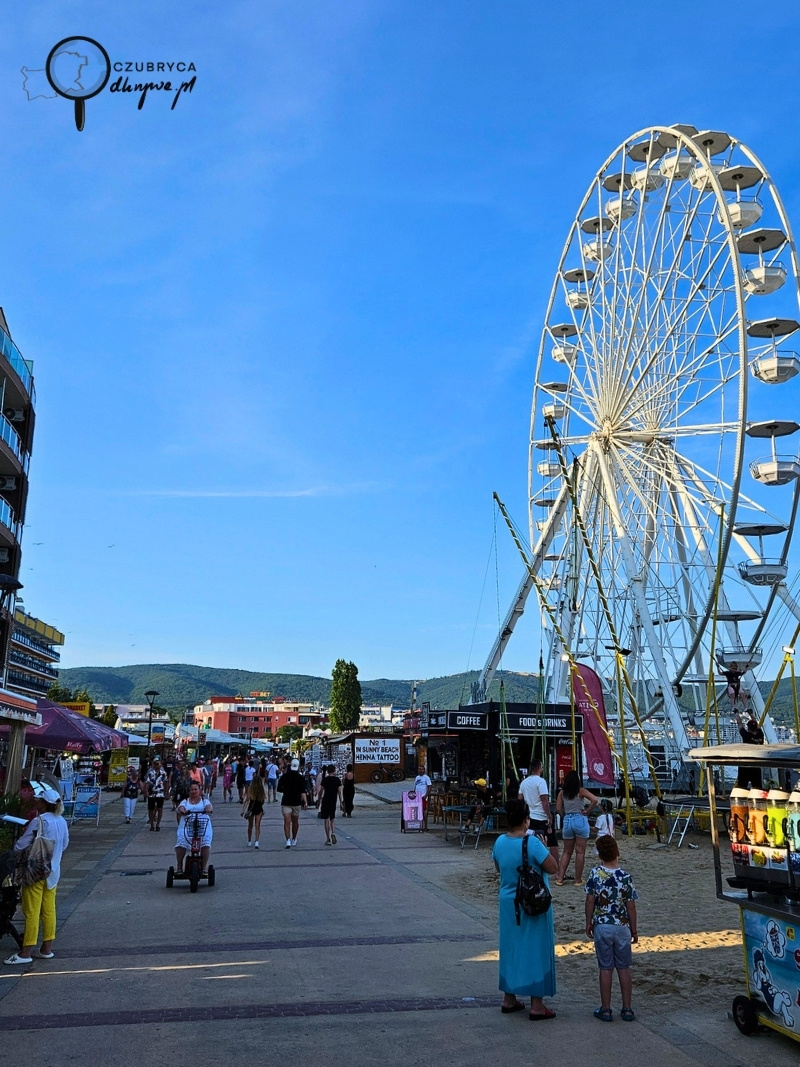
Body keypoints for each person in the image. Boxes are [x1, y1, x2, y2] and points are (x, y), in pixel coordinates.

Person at [491, 799, 557, 1019]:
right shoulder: (533, 843)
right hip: (532, 903)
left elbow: (499, 867)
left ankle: (509, 998)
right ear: (526, 819)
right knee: (536, 949)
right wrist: (545, 846)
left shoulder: (499, 842)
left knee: (510, 948)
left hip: (508, 903)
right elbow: (553, 867)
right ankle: (537, 1004)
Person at [4, 782, 70, 966]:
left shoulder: (39, 821)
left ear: (44, 804)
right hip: (53, 871)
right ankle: (46, 948)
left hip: (35, 872)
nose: (37, 803)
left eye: (39, 800)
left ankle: (26, 952)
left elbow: (20, 845)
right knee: (49, 910)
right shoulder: (62, 821)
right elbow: (64, 845)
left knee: (31, 910)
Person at [585, 835, 638, 1022]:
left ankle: (606, 1009)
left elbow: (590, 900)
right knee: (624, 968)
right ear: (617, 852)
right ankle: (627, 1008)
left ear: (600, 855)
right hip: (621, 926)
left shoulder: (595, 874)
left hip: (603, 925)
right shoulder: (625, 877)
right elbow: (631, 905)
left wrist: (588, 921)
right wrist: (634, 928)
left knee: (605, 968)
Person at [555, 771, 599, 887]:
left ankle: (560, 878)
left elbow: (558, 808)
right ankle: (578, 880)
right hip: (580, 819)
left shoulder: (562, 793)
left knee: (566, 851)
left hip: (568, 820)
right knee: (580, 852)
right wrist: (587, 811)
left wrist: (565, 816)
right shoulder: (580, 791)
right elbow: (594, 800)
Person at [519, 760, 559, 861]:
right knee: (553, 843)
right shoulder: (541, 781)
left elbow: (520, 798)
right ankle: (556, 868)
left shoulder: (524, 783)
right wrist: (549, 815)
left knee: (532, 841)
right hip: (542, 816)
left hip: (531, 816)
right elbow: (544, 800)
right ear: (539, 768)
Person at [175, 781, 213, 876]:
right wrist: (183, 811)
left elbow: (209, 807)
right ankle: (179, 866)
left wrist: (208, 809)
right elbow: (181, 807)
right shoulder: (185, 801)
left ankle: (204, 867)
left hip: (202, 825)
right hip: (187, 825)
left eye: (195, 789)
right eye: (191, 789)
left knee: (206, 843)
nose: (193, 791)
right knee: (181, 842)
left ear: (199, 790)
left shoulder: (204, 801)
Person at [277, 757, 308, 848]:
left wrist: (287, 790)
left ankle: (288, 840)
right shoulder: (301, 778)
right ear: (298, 767)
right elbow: (303, 791)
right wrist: (305, 802)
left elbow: (279, 789)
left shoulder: (284, 777)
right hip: (296, 802)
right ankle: (294, 838)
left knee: (287, 822)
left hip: (286, 801)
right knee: (295, 822)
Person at [319, 764, 343, 845]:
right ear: (334, 771)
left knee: (326, 819)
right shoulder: (337, 780)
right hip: (333, 800)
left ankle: (328, 838)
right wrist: (341, 802)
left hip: (326, 800)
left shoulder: (325, 780)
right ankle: (333, 832)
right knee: (332, 818)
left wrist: (319, 800)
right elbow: (339, 792)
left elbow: (321, 790)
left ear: (328, 771)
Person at [144, 758, 168, 832]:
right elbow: (147, 782)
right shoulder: (150, 772)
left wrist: (166, 792)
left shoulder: (163, 772)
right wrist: (146, 791)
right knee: (151, 809)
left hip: (160, 793)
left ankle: (158, 824)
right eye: (155, 764)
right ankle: (152, 824)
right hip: (152, 792)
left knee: (160, 808)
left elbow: (166, 782)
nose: (157, 765)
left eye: (158, 764)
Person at [244, 773, 266, 848]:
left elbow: (247, 800)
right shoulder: (261, 790)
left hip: (251, 808)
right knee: (257, 825)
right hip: (259, 808)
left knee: (250, 826)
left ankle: (249, 841)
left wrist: (243, 810)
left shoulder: (251, 789)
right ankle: (256, 841)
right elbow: (263, 801)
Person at [413, 766, 432, 830]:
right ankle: (419, 824)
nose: (420, 770)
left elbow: (430, 786)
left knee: (424, 811)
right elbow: (415, 787)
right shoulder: (417, 777)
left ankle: (425, 825)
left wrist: (426, 795)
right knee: (418, 811)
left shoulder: (426, 777)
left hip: (423, 796)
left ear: (424, 770)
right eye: (419, 769)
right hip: (417, 797)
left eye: (422, 769)